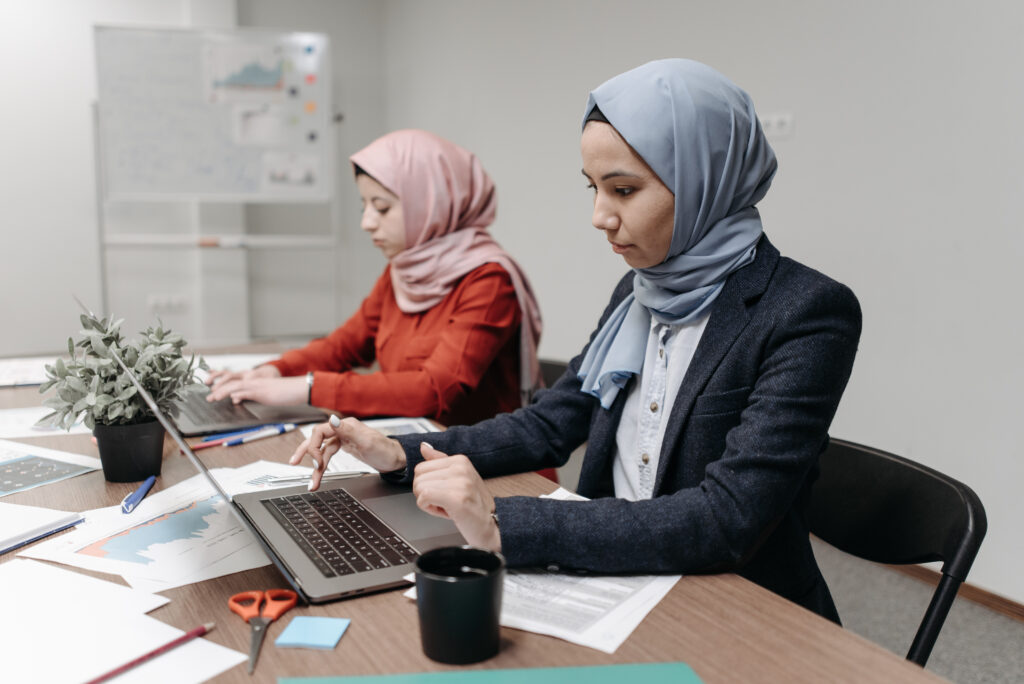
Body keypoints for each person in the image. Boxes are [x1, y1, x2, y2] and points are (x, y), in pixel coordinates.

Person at [292, 59, 861, 622]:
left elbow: (726, 519)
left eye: (624, 189)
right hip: (613, 576)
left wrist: (500, 519)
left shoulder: (806, 312)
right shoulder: (639, 291)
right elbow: (550, 423)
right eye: (594, 188)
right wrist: (400, 451)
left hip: (732, 603)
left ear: (704, 181)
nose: (599, 216)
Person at [205, 129, 543, 428]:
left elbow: (435, 391)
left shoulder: (490, 281)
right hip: (411, 447)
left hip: (489, 470)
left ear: (431, 205)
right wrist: (275, 370)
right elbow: (345, 345)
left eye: (381, 208)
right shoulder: (403, 269)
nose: (367, 222)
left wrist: (308, 387)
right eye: (364, 206)